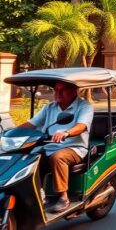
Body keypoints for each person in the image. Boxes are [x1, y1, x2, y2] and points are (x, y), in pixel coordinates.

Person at [19, 82, 94, 213]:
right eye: (56, 90)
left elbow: (82, 125)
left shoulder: (84, 106)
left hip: (74, 148)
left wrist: (66, 133)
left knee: (58, 157)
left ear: (73, 91)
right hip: (49, 146)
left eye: (62, 90)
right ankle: (38, 195)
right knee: (28, 158)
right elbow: (31, 124)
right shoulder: (49, 107)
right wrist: (9, 133)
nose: (58, 93)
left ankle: (63, 198)